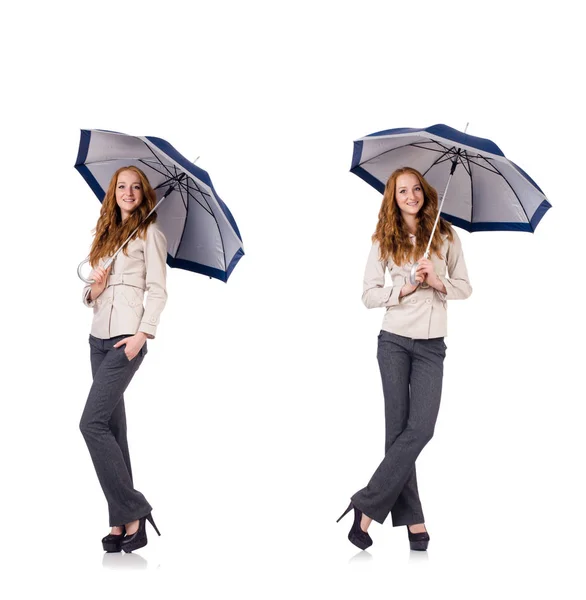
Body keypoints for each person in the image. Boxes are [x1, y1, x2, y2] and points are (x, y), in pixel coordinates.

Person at [337, 167, 472, 551]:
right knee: (397, 433)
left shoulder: (446, 236)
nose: (410, 196)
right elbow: (367, 294)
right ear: (393, 199)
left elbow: (466, 287)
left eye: (415, 189)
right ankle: (414, 519)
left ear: (425, 193)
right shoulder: (385, 240)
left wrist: (436, 281)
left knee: (421, 429)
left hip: (431, 345)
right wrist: (405, 286)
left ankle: (365, 504)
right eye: (402, 192)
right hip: (394, 341)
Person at [79, 165, 168, 553]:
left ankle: (135, 510)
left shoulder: (151, 234)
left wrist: (142, 335)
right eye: (121, 187)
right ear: (112, 193)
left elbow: (159, 291)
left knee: (90, 423)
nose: (128, 192)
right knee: (112, 430)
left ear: (143, 193)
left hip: (124, 342)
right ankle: (120, 522)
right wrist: (94, 290)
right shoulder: (107, 236)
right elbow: (91, 295)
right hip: (97, 338)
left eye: (135, 187)